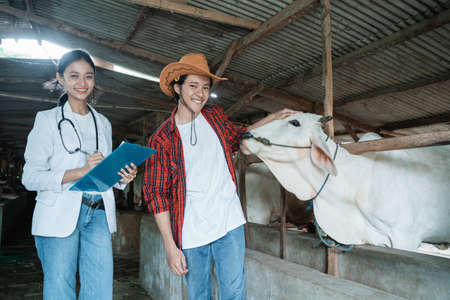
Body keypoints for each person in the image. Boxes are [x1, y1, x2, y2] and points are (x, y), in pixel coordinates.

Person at [143, 53, 296, 299]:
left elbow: (239, 136)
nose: (200, 93)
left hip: (228, 221)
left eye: (205, 87)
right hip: (191, 228)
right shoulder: (162, 139)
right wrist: (170, 247)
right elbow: (156, 194)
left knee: (234, 292)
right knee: (198, 294)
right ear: (177, 87)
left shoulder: (214, 117)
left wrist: (272, 118)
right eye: (193, 85)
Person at [22, 49, 137, 300]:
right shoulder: (47, 120)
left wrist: (121, 177)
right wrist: (79, 171)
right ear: (60, 79)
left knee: (99, 289)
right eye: (74, 76)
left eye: (88, 76)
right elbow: (30, 178)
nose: (82, 83)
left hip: (97, 213)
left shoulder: (103, 123)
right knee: (60, 287)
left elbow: (103, 172)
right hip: (59, 211)